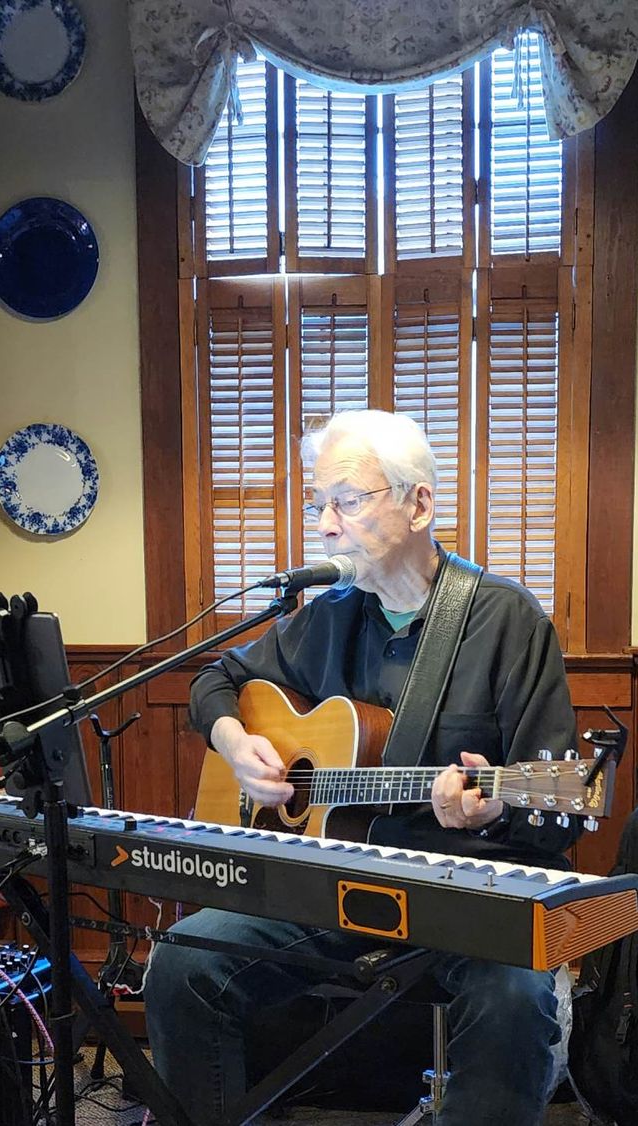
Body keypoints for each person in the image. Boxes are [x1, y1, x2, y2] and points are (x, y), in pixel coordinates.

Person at [143, 409, 579, 1126]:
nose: (324, 526)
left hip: (464, 897)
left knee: (514, 998)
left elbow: (552, 816)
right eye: (319, 504)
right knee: (185, 963)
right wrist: (234, 742)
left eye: (346, 501)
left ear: (419, 505)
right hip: (332, 888)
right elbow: (215, 680)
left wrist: (496, 805)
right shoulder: (327, 617)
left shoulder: (508, 621)